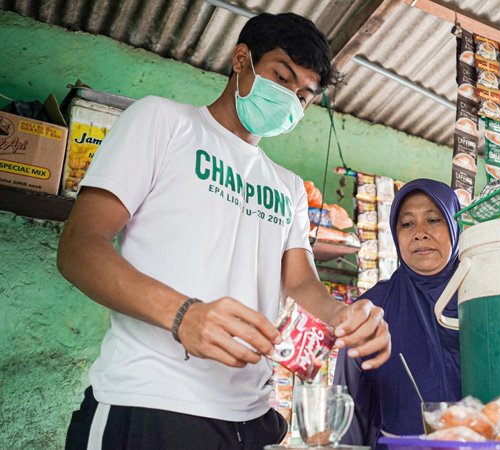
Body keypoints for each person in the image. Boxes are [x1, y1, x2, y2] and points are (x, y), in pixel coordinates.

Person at [57, 12, 391, 450]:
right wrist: (183, 315)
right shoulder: (162, 122)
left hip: (252, 420)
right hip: (148, 402)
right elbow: (79, 247)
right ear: (241, 60)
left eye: (304, 95)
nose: (290, 98)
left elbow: (301, 282)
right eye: (281, 76)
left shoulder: (288, 187)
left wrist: (342, 317)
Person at [333, 179, 462, 449]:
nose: (420, 233)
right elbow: (349, 410)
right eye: (407, 224)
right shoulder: (372, 311)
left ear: (454, 225)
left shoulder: (485, 299)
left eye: (434, 220)